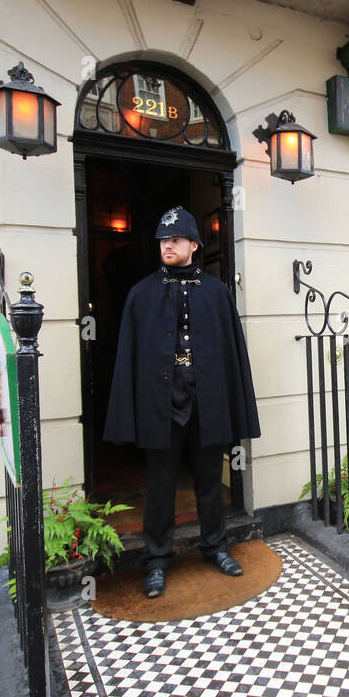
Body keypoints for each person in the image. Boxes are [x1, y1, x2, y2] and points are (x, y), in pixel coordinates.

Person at [103, 206, 261, 599]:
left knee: (210, 482)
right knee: (159, 486)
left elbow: (232, 355)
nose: (167, 246)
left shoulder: (217, 293)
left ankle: (215, 547)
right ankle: (156, 561)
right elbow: (128, 359)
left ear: (194, 244)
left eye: (175, 240)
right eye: (162, 240)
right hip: (163, 405)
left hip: (206, 402)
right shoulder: (141, 294)